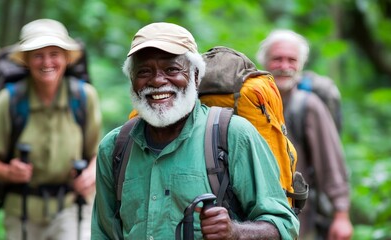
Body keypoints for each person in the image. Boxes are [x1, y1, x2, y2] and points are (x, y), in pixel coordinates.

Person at [91, 22, 299, 239]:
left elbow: (284, 226)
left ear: (196, 75)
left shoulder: (233, 136)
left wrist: (236, 232)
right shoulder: (115, 147)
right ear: (132, 80)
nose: (157, 80)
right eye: (144, 71)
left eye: (171, 69)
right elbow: (103, 233)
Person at [0, 19, 102, 240]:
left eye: (54, 53)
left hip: (73, 207)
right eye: (37, 55)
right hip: (23, 211)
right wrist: (9, 172)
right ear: (26, 60)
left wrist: (91, 174)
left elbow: (97, 152)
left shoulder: (84, 97)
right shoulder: (9, 100)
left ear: (66, 58)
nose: (47, 62)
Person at [256, 29, 353, 240]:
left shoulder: (308, 106)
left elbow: (330, 162)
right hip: (254, 219)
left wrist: (341, 214)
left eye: (292, 60)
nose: (284, 67)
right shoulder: (251, 103)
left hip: (299, 219)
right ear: (264, 62)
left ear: (301, 64)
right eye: (277, 59)